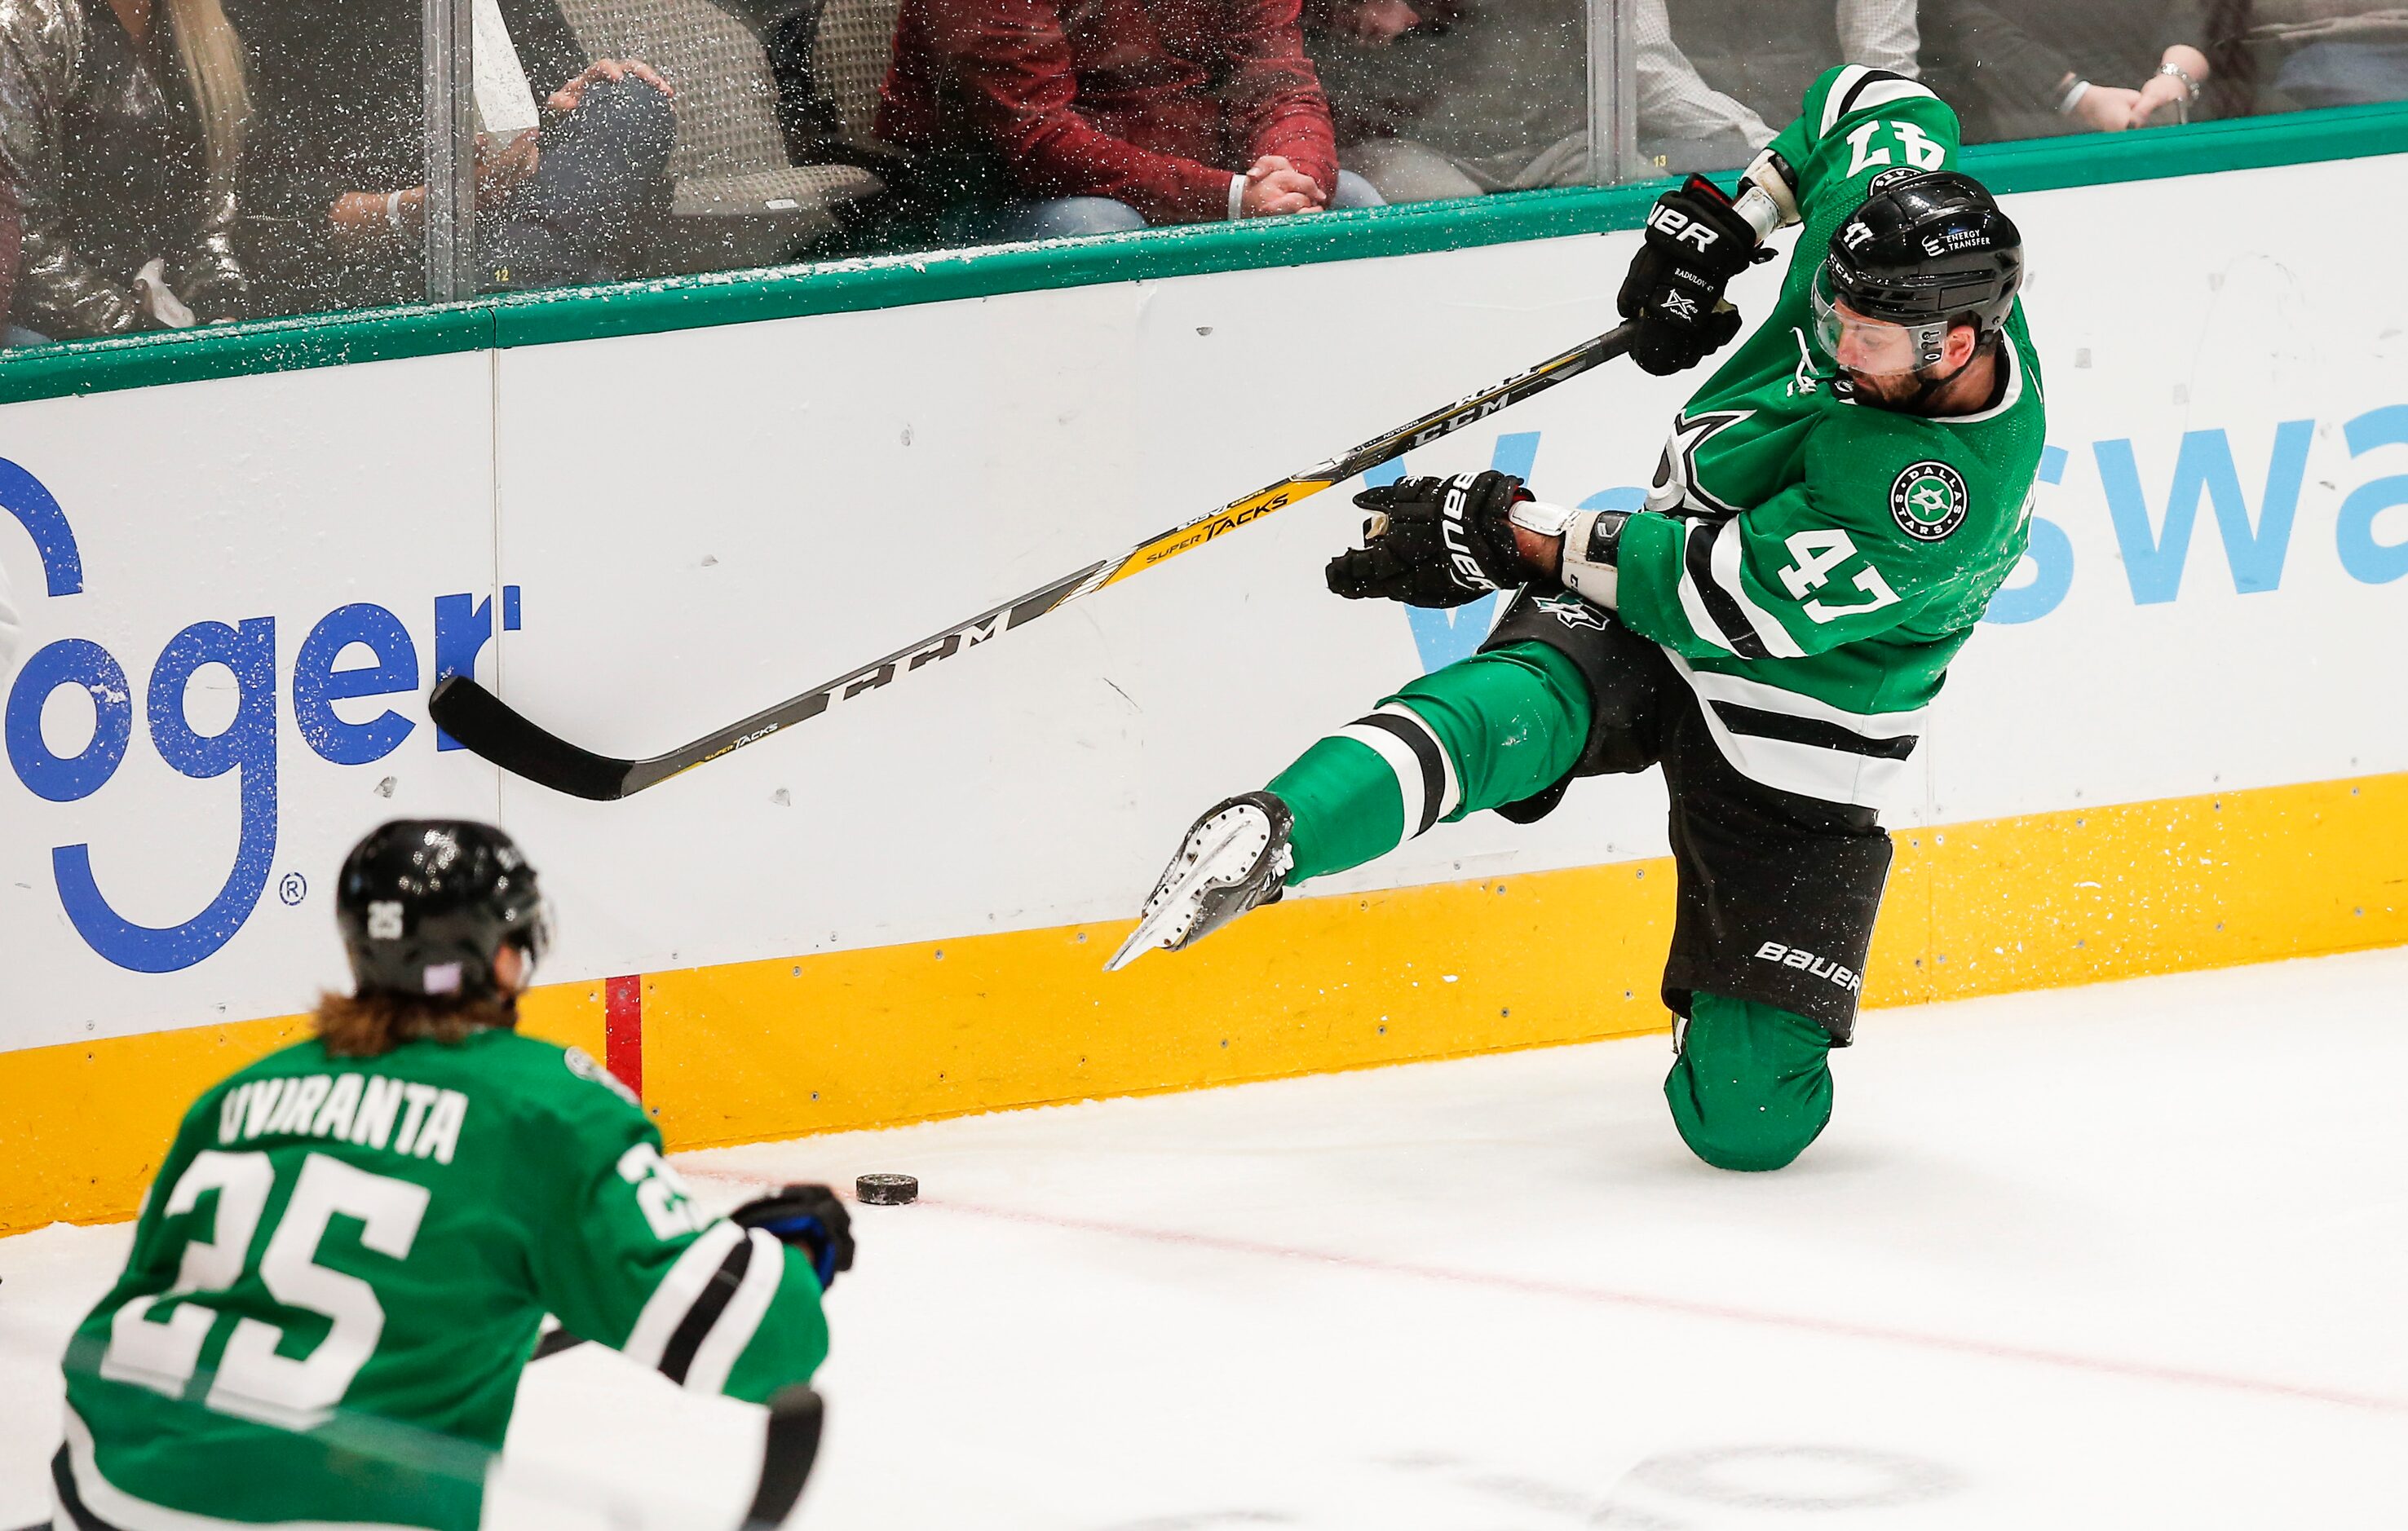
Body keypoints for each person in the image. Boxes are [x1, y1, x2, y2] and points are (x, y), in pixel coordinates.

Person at [1111, 65, 2043, 1174]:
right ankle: (1274, 832)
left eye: (1869, 340)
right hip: (1661, 591)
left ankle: (1733, 999)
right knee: (1521, 704)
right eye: (1829, 313)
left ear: (1956, 340)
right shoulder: (1884, 246)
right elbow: (1874, 96)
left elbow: (1717, 596)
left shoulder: (1938, 494)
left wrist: (1515, 531)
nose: (1836, 345)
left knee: (1748, 1123)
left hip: (1806, 706)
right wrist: (1730, 223)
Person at [51, 819, 847, 1531]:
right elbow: (764, 1344)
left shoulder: (234, 1099)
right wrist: (793, 1261)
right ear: (498, 958)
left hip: (105, 1484)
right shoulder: (546, 1110)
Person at [228, 0, 676, 316]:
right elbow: (288, 226)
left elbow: (546, 111)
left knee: (634, 102)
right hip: (411, 251)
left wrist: (574, 100)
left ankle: (526, 271)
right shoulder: (275, 17)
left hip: (527, 198)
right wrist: (441, 201)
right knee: (542, 242)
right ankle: (529, 276)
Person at [1314, 0, 1920, 201]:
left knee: (1664, 190)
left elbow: (1887, 69)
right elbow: (1646, 68)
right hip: (1412, 139)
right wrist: (1787, 156)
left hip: (1578, 145)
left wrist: (1867, 149)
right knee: (1445, 206)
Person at [877, 0, 1384, 240]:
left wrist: (1296, 179)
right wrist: (1229, 196)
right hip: (990, 193)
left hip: (1190, 175)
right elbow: (1038, 139)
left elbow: (1280, 86)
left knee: (1351, 201)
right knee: (1102, 232)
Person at [0, 0, 254, 341]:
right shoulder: (27, 24)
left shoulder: (201, 33)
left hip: (167, 323)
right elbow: (26, 237)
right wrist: (136, 329)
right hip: (61, 331)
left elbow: (210, 218)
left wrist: (221, 311)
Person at [1916, 0, 2216, 139]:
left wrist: (2175, 76)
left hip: (2158, 118)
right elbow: (1956, 18)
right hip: (2019, 127)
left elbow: (2190, 13)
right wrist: (2075, 96)